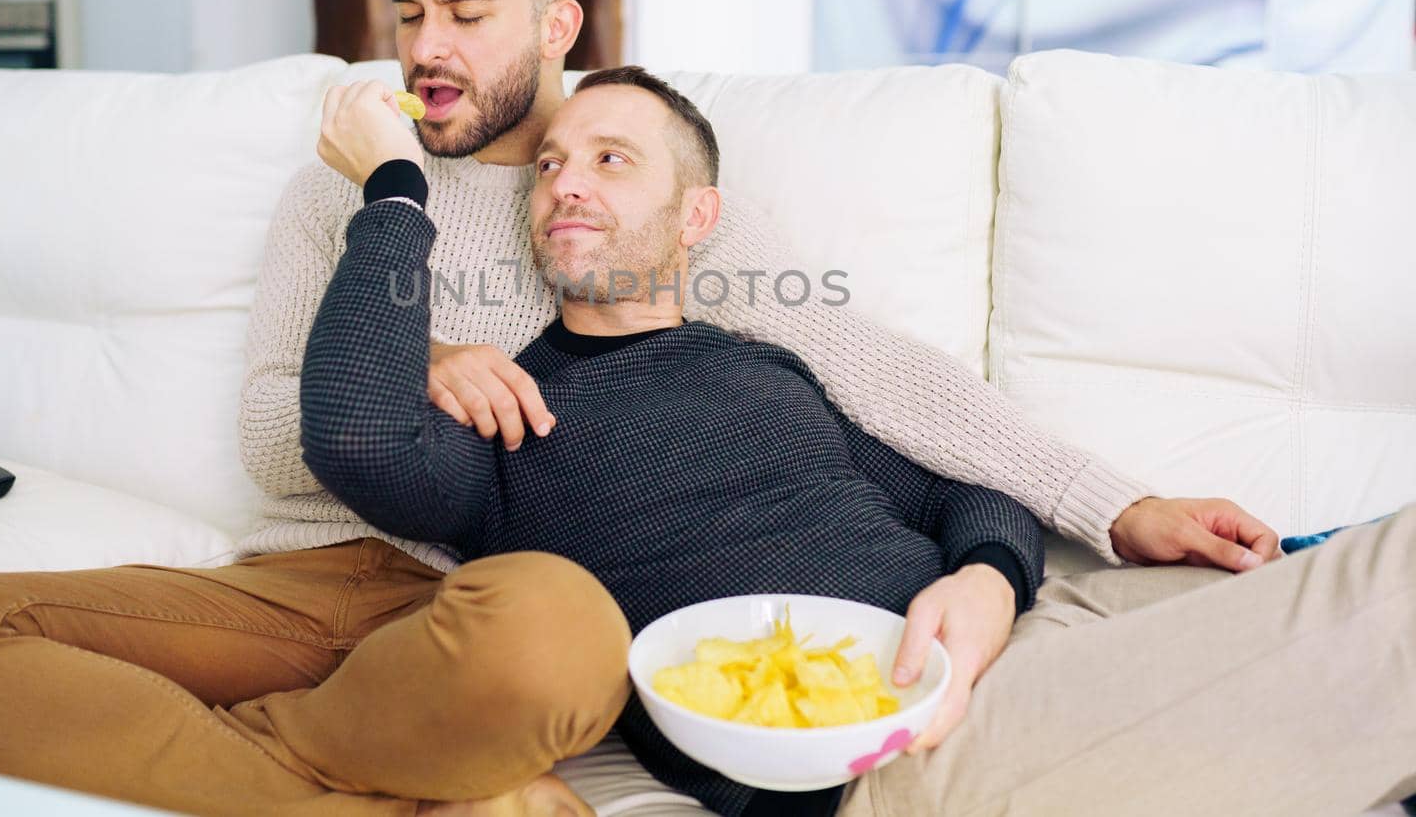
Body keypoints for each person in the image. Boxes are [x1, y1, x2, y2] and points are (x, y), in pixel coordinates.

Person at [0, 0, 1282, 817]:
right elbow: (289, 439)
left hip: (535, 595)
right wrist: (412, 333)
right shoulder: (347, 183)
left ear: (559, 25)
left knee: (542, 620)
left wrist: (1112, 504)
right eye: (407, 14)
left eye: (467, 15)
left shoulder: (628, 193)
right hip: (346, 563)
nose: (428, 49)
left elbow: (891, 382)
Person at [309, 62, 1416, 817]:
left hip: (1040, 619)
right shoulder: (509, 415)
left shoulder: (763, 363)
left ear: (697, 219)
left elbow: (963, 490)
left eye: (611, 159)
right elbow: (352, 436)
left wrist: (987, 578)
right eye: (550, 162)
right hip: (899, 753)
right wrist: (396, 185)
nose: (564, 185)